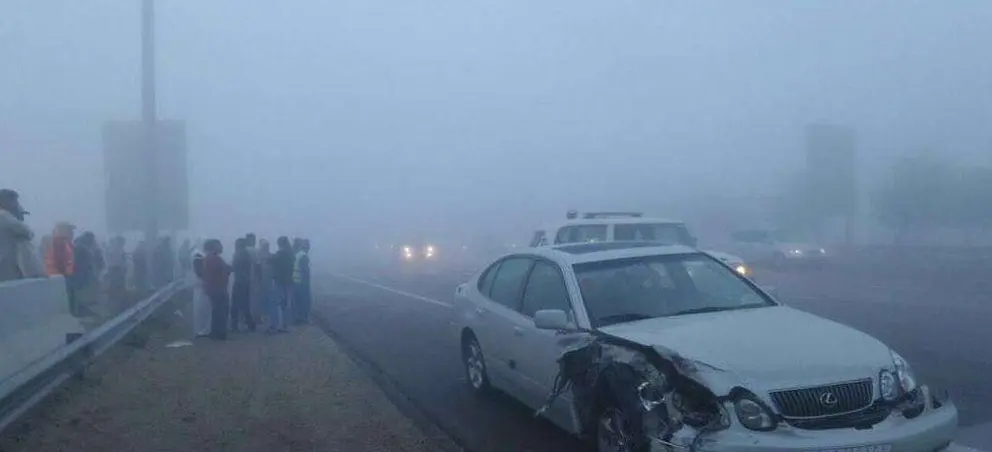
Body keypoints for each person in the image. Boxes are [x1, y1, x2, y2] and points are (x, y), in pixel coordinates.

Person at [0, 189, 43, 281]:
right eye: (14, 200)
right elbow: (28, 233)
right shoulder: (3, 215)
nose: (16, 203)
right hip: (9, 266)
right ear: (4, 201)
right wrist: (18, 215)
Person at [201, 239, 231, 340]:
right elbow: (224, 270)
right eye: (219, 245)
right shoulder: (215, 259)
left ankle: (216, 333)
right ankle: (220, 333)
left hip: (213, 288)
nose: (221, 247)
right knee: (221, 311)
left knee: (216, 311)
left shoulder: (208, 258)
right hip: (218, 288)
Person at [266, 237, 294, 334]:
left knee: (275, 304)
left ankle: (274, 326)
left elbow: (270, 260)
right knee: (286, 305)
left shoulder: (280, 253)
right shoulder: (291, 253)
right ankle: (285, 326)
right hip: (289, 281)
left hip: (279, 281)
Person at [230, 238, 256, 332]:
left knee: (236, 304)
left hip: (240, 282)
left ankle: (235, 324)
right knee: (244, 304)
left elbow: (233, 267)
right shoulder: (245, 254)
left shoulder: (240, 254)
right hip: (245, 281)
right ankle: (250, 323)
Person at [191, 244, 211, 337]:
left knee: (201, 309)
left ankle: (201, 329)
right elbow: (199, 271)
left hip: (200, 286)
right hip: (201, 286)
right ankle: (202, 330)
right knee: (202, 308)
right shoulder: (198, 256)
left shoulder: (197, 255)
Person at [105, 236, 128, 308]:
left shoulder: (116, 249)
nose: (124, 243)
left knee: (115, 285)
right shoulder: (117, 250)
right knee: (116, 286)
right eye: (123, 241)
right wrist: (123, 268)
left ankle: (115, 301)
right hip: (116, 270)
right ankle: (115, 302)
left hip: (115, 269)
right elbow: (118, 261)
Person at [292, 238, 311, 325]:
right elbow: (305, 270)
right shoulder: (303, 256)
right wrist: (307, 282)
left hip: (295, 280)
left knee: (298, 301)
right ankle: (303, 318)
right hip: (301, 281)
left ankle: (298, 317)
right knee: (304, 300)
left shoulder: (298, 254)